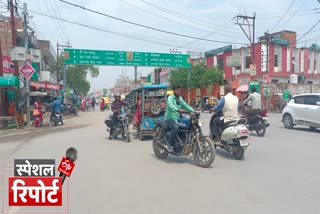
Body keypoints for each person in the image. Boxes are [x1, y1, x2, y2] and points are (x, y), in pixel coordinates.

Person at [165, 85, 195, 152]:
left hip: (178, 118)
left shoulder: (180, 98)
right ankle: (169, 143)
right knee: (175, 127)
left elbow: (185, 105)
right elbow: (170, 106)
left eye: (179, 90)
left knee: (187, 124)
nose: (179, 92)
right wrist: (178, 109)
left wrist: (193, 111)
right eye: (177, 90)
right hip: (170, 118)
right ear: (174, 91)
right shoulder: (170, 98)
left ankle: (183, 142)